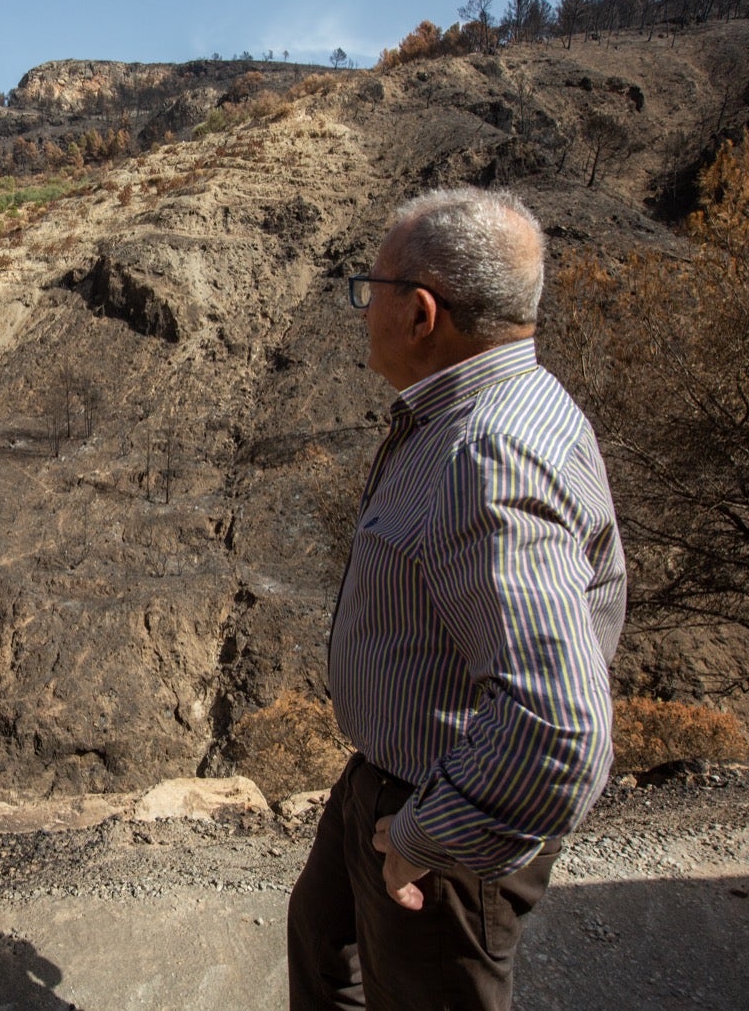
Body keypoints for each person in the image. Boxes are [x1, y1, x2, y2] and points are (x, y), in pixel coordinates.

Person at [287, 187, 626, 1010]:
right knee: (326, 951)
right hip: (390, 772)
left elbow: (561, 729)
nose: (362, 310)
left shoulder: (487, 454)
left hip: (437, 811)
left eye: (372, 290)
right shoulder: (498, 408)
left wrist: (426, 836)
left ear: (421, 313)